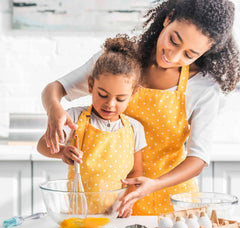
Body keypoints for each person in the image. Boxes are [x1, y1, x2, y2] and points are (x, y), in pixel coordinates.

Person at [41, 0, 240, 216]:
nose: (173, 56)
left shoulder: (203, 86)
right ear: (168, 17)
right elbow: (56, 88)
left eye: (189, 55)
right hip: (112, 202)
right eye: (174, 40)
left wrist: (154, 184)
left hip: (172, 204)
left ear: (206, 51)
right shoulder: (117, 61)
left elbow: (198, 159)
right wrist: (54, 108)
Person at [37, 35, 147, 217]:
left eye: (120, 99)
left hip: (115, 217)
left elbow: (136, 172)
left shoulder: (135, 129)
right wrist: (61, 151)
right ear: (90, 86)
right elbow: (42, 146)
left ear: (133, 94)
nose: (110, 104)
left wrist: (128, 200)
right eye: (102, 94)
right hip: (78, 215)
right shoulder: (74, 118)